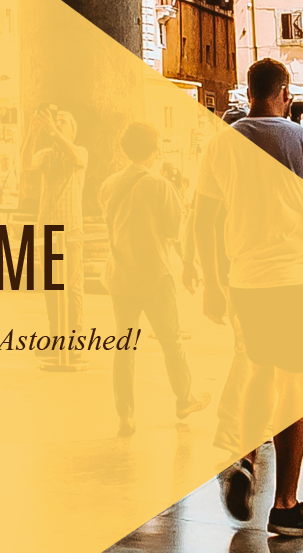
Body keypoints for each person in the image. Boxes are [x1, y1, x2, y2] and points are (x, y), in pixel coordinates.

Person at [195, 58, 303, 537]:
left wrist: (211, 281)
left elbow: (204, 219)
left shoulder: (224, 143)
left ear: (250, 92)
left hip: (247, 280)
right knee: (293, 389)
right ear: (283, 92)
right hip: (301, 281)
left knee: (258, 371)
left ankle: (244, 457)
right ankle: (285, 505)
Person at [100, 122, 209, 436]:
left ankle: (126, 415)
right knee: (171, 341)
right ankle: (184, 398)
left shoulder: (109, 184)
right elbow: (174, 230)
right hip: (154, 275)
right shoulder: (160, 185)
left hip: (120, 275)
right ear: (153, 148)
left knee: (124, 346)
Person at [22, 105, 88, 351]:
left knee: (72, 284)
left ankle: (75, 334)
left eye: (63, 121)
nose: (58, 123)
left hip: (70, 228)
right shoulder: (47, 154)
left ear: (73, 130)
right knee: (51, 284)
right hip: (46, 229)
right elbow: (26, 163)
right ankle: (55, 333)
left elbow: (76, 158)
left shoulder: (79, 151)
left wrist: (52, 131)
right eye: (56, 120)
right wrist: (33, 133)